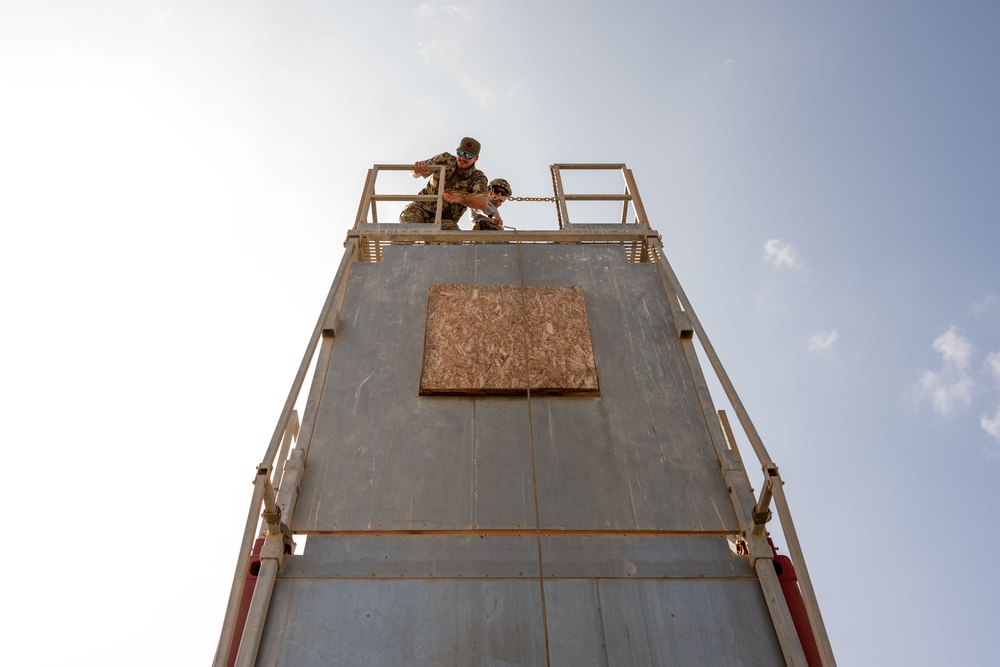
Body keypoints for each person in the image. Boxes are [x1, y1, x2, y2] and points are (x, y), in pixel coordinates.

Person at [400, 137, 488, 230]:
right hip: (420, 208)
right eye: (460, 153)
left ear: (476, 158)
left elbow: (482, 203)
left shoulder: (477, 178)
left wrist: (460, 198)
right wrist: (417, 171)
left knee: (454, 242)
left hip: (444, 220)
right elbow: (413, 173)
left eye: (468, 156)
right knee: (406, 232)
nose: (462, 158)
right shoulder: (444, 159)